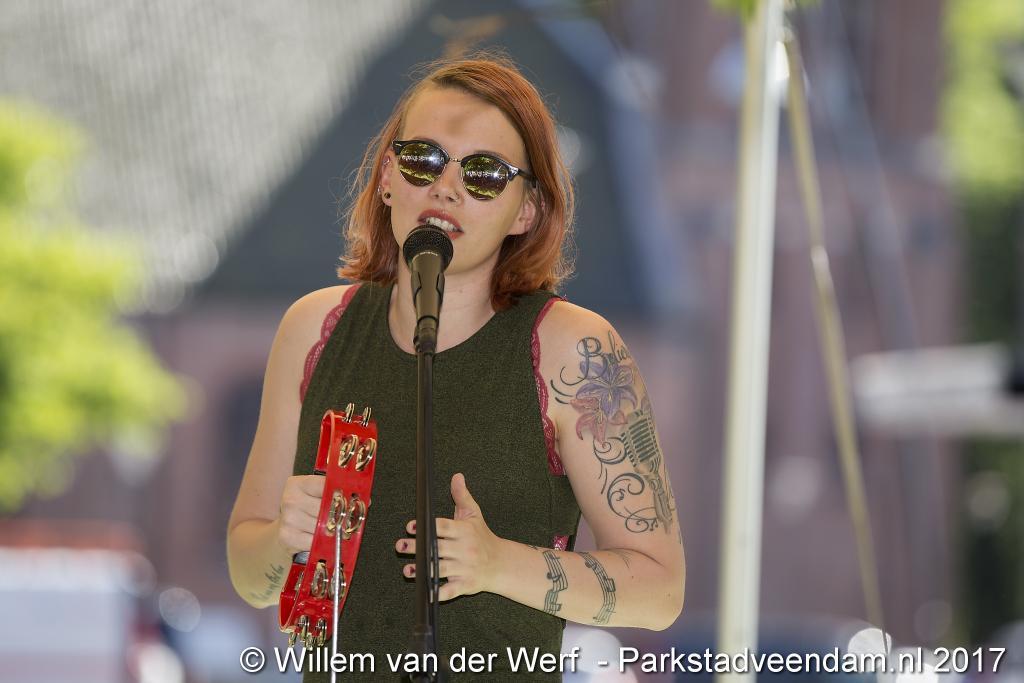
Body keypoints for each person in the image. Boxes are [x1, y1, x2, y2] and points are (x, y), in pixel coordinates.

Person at [226, 53, 685, 681]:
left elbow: (660, 592)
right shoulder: (312, 328)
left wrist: (498, 565)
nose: (446, 187)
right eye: (423, 159)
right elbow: (248, 574)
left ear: (526, 210)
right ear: (388, 177)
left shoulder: (575, 350)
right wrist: (284, 535)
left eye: (484, 173)